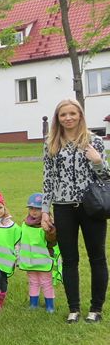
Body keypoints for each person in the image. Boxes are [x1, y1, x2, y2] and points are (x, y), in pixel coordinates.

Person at [42, 99, 109, 324]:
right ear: (57, 118)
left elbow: (106, 177)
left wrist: (98, 161)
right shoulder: (51, 143)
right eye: (63, 114)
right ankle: (74, 309)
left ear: (80, 115)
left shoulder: (94, 141)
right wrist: (45, 211)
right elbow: (48, 179)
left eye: (72, 113)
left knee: (97, 257)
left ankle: (96, 308)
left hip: (92, 206)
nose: (68, 118)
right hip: (63, 208)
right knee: (69, 259)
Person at [21, 193, 59, 313]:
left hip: (44, 260)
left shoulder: (48, 225)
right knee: (33, 282)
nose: (34, 211)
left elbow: (52, 242)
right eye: (31, 208)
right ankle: (33, 304)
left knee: (46, 283)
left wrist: (50, 231)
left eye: (38, 209)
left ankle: (50, 306)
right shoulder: (25, 224)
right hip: (30, 260)